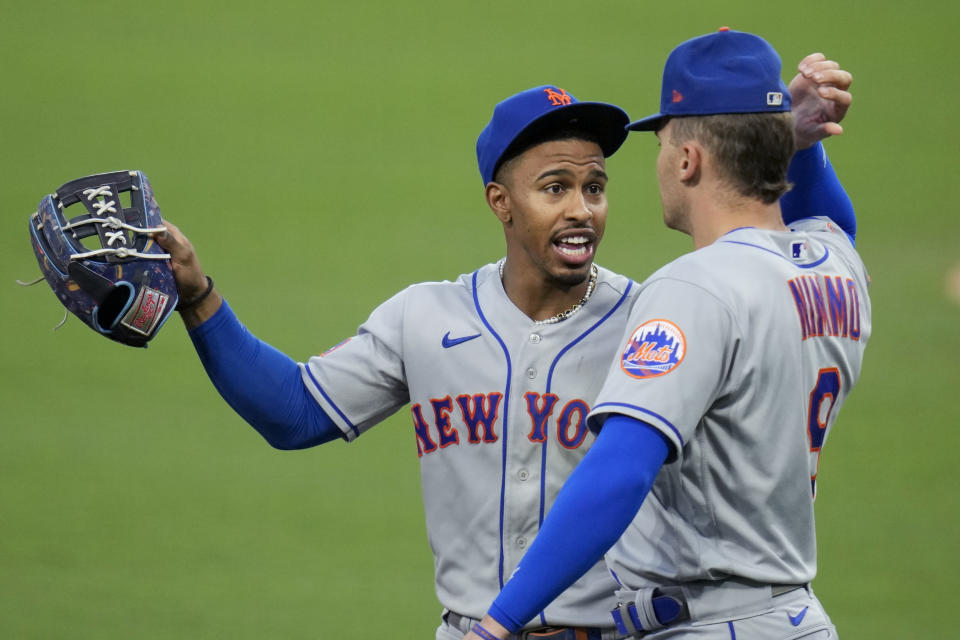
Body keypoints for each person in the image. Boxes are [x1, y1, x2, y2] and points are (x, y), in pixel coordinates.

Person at [155, 58, 854, 639]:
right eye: (555, 187)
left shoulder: (658, 321)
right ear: (501, 201)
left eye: (595, 186)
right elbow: (295, 412)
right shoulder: (425, 317)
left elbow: (781, 254)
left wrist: (775, 144)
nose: (581, 208)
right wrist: (198, 298)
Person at [462, 29, 867, 640]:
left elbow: (620, 470)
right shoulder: (835, 266)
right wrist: (797, 144)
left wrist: (498, 623)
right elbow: (832, 218)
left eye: (662, 140)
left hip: (715, 623)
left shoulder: (693, 289)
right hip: (795, 617)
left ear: (687, 160)